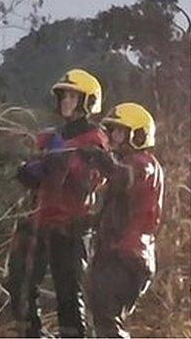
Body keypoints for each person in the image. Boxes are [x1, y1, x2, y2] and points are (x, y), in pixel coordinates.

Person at [9, 68, 107, 338]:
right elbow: (40, 172)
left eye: (72, 96)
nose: (65, 101)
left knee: (68, 294)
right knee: (20, 283)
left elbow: (91, 182)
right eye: (63, 96)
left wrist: (61, 165)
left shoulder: (94, 139)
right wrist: (30, 171)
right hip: (40, 218)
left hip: (70, 225)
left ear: (87, 101)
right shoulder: (53, 136)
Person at [83, 103, 164, 338]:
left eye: (121, 132)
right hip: (119, 253)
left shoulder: (142, 163)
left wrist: (101, 159)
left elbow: (123, 178)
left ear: (138, 135)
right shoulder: (129, 164)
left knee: (107, 318)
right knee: (102, 315)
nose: (114, 138)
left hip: (127, 256)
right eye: (113, 132)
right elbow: (115, 210)